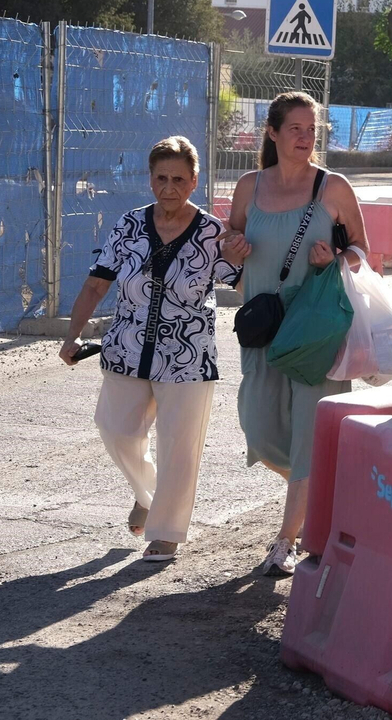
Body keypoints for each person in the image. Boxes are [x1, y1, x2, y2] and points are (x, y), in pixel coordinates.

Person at [59, 136, 248, 563]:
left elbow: (243, 283)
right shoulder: (129, 225)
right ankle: (148, 494)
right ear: (149, 179)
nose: (169, 187)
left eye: (179, 179)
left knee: (180, 447)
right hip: (126, 348)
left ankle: (165, 533)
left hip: (188, 356)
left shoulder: (212, 233)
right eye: (161, 178)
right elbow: (96, 284)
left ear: (194, 181)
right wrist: (72, 335)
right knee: (116, 430)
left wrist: (242, 259)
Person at [227, 92, 370, 577]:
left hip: (315, 330)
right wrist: (232, 247)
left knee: (310, 437)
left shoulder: (333, 187)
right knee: (260, 429)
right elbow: (230, 238)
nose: (306, 138)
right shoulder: (249, 186)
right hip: (264, 326)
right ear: (272, 132)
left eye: (312, 129)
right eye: (295, 128)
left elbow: (364, 253)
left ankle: (286, 539)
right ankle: (325, 490)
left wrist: (336, 260)